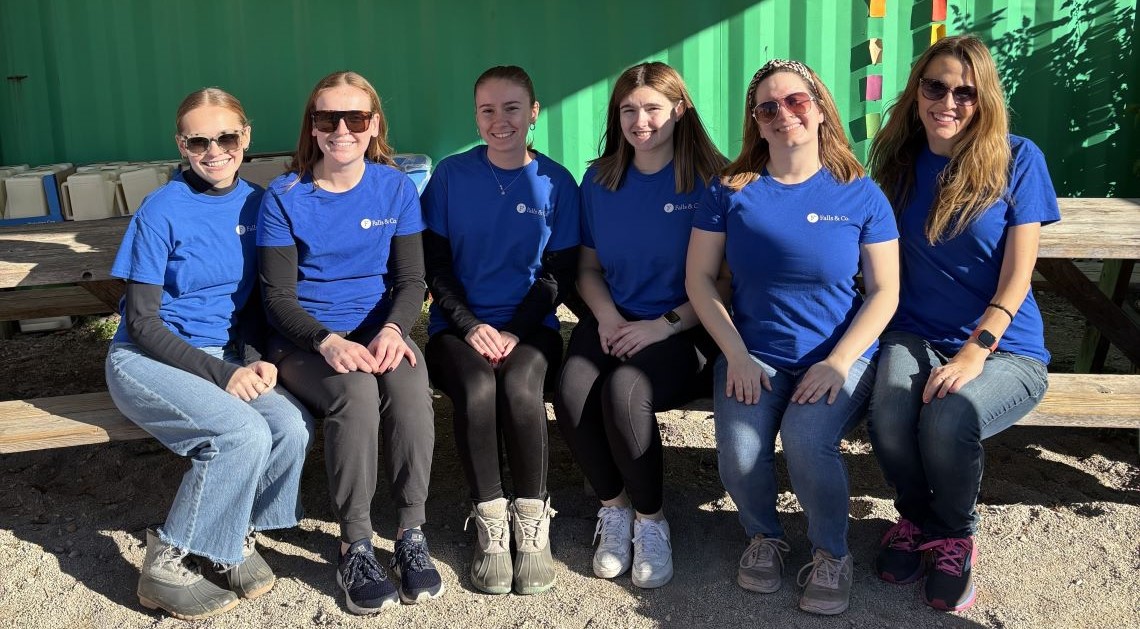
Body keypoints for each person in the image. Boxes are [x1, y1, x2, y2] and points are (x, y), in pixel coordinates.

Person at [686, 59, 900, 615]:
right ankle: (765, 537)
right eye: (768, 107)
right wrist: (734, 353)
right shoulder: (729, 191)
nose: (784, 114)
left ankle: (832, 553)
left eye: (796, 101)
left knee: (807, 442)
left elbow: (885, 292)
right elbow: (699, 279)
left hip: (837, 356)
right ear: (755, 123)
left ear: (822, 109)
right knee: (739, 452)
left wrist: (839, 361)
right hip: (754, 354)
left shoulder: (861, 194)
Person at [105, 87, 314, 621]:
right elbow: (142, 321)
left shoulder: (259, 203)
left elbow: (253, 306)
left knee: (291, 428)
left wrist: (255, 356)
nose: (214, 149)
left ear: (245, 136)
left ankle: (226, 539)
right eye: (199, 140)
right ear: (181, 145)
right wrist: (223, 374)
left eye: (226, 136)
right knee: (240, 433)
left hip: (224, 356)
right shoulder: (161, 210)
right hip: (150, 360)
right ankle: (166, 564)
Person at [866, 35, 1058, 612]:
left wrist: (977, 350)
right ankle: (918, 518)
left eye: (965, 92)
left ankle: (954, 535)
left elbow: (1018, 277)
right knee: (891, 405)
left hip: (1005, 348)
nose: (947, 101)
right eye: (935, 86)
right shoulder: (897, 162)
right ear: (916, 91)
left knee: (950, 416)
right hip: (915, 332)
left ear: (985, 100)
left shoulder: (1018, 158)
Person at [256, 71, 442, 614]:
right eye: (327, 118)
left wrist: (393, 329)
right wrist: (326, 341)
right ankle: (355, 543)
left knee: (409, 391)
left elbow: (411, 281)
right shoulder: (285, 196)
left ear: (374, 125)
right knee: (356, 395)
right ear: (311, 129)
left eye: (355, 118)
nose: (342, 129)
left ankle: (411, 531)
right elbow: (276, 297)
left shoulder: (396, 188)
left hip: (379, 332)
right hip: (304, 341)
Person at [553, 61, 725, 590]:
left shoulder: (711, 181)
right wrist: (605, 317)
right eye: (628, 110)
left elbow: (725, 284)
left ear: (679, 110)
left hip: (688, 327)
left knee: (627, 389)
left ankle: (653, 521)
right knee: (574, 388)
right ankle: (615, 508)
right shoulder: (600, 179)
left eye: (652, 108)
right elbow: (586, 268)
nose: (640, 121)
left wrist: (664, 326)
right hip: (616, 317)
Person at [420, 65, 580, 596]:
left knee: (520, 385)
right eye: (487, 110)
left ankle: (532, 526)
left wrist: (512, 329)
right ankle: (491, 523)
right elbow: (435, 266)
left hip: (529, 326)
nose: (499, 121)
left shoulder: (557, 182)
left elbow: (559, 273)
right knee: (478, 386)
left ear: (534, 112)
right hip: (455, 329)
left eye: (512, 108)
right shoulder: (450, 176)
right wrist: (470, 327)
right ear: (476, 116)